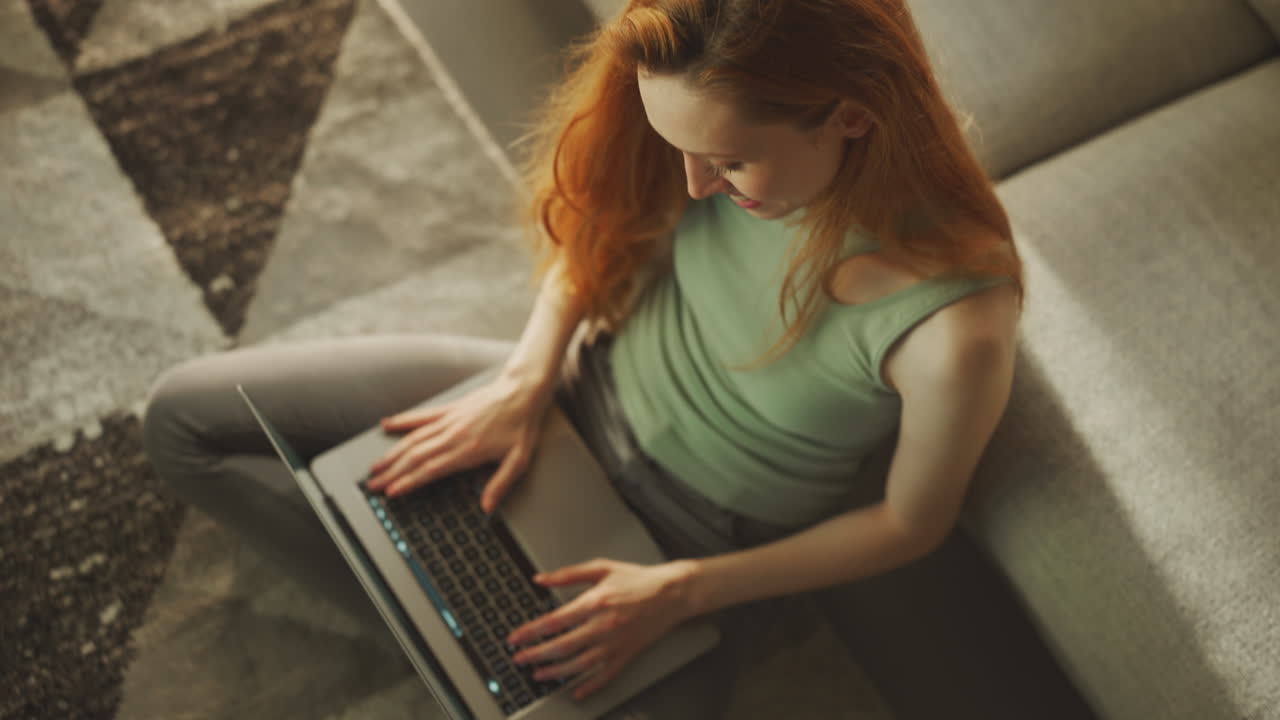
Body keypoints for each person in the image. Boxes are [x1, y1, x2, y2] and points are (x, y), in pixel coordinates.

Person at [142, 0, 1022, 717]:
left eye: (728, 162)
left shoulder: (957, 325)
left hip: (690, 546)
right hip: (565, 393)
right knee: (185, 421)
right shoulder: (699, 115)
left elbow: (912, 524)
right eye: (678, 150)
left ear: (854, 114)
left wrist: (678, 594)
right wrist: (524, 379)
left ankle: (471, 644)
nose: (692, 186)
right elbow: (606, 224)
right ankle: (447, 643)